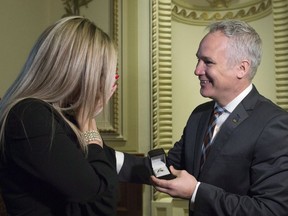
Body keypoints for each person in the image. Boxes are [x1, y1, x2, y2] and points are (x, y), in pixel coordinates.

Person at [149, 20, 288, 215]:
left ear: (242, 68)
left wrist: (196, 192)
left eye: (208, 62)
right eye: (198, 60)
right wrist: (112, 159)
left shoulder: (275, 124)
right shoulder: (199, 115)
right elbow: (168, 166)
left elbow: (271, 210)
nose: (197, 70)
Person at [0, 16, 122, 216]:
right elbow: (100, 199)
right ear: (82, 73)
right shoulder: (30, 116)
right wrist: (89, 121)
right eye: (107, 75)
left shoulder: (51, 115)